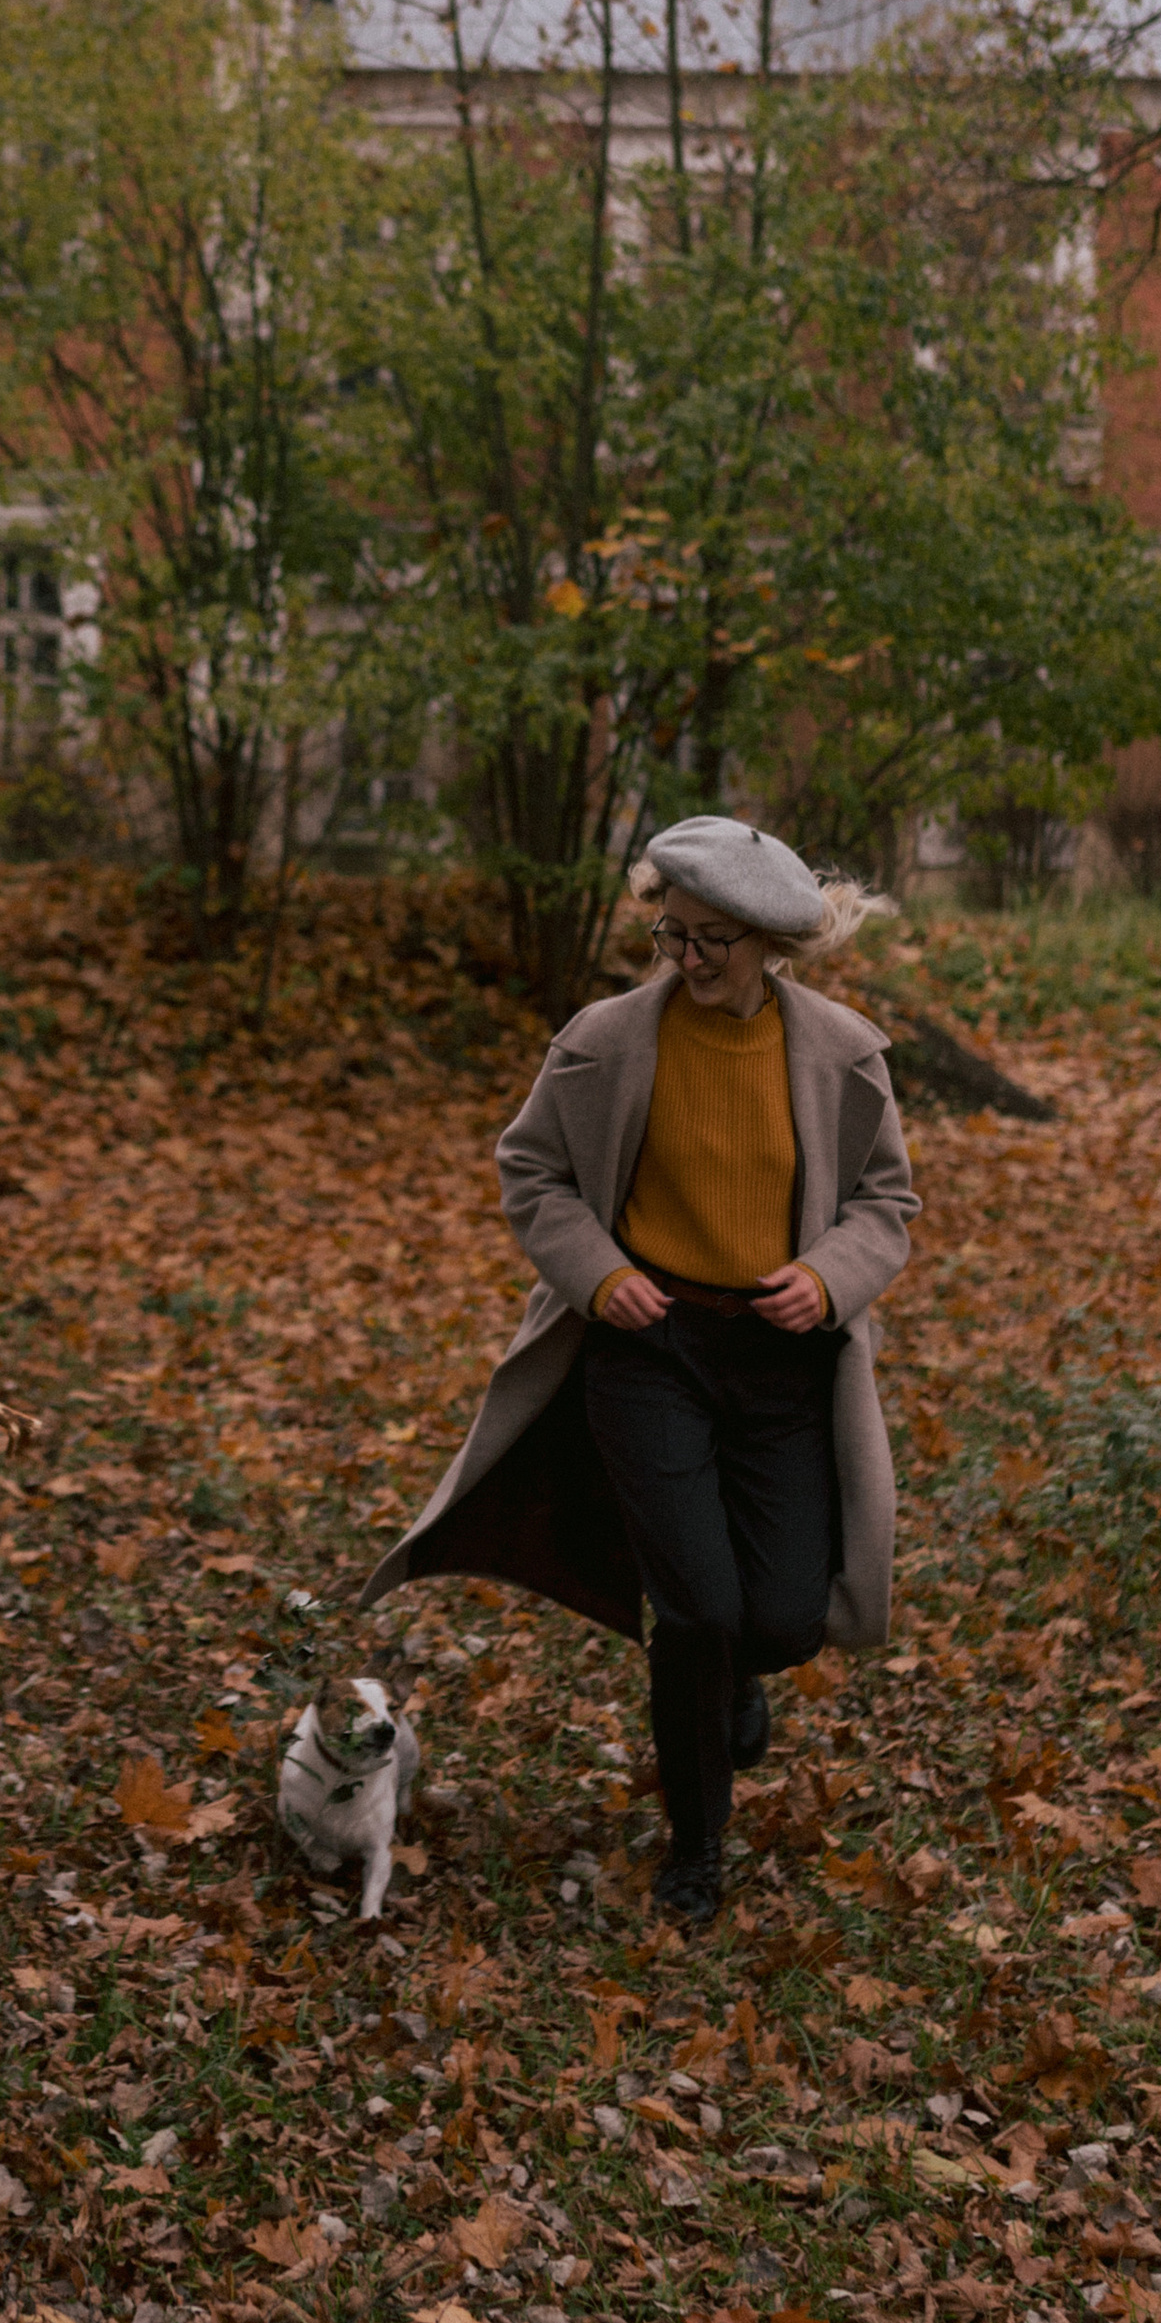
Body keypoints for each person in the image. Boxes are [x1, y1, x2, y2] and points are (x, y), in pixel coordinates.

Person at [362, 816, 914, 1933]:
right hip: (647, 1349)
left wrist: (828, 1276)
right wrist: (598, 1275)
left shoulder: (842, 1052)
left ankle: (733, 1685)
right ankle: (696, 1847)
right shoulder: (606, 1041)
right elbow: (533, 1170)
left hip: (779, 1360)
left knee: (786, 1617)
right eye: (673, 932)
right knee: (697, 1610)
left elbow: (885, 1204)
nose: (686, 957)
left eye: (711, 939)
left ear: (768, 943)